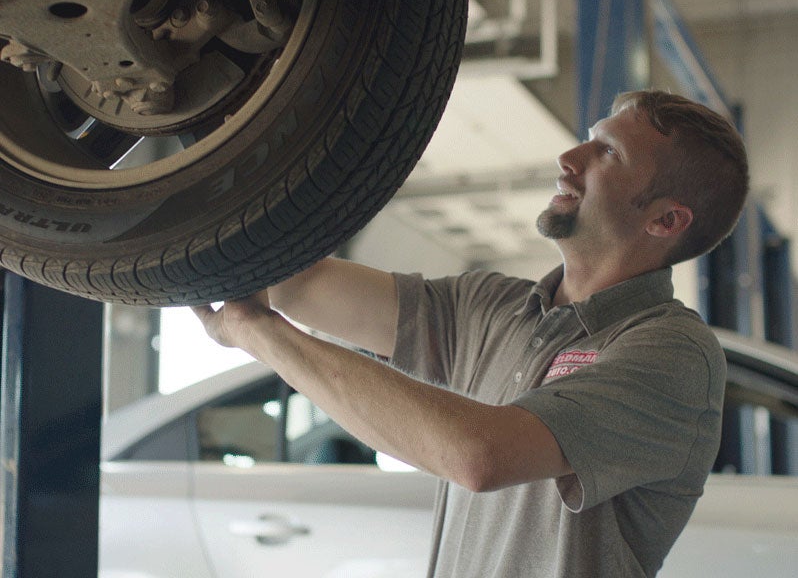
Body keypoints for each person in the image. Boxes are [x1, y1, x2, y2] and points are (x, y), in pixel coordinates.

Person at [193, 90, 749, 577]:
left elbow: (478, 457)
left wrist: (259, 334)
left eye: (608, 153)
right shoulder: (490, 306)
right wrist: (220, 136)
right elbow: (299, 286)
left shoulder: (670, 352)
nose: (569, 158)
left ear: (666, 221)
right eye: (589, 139)